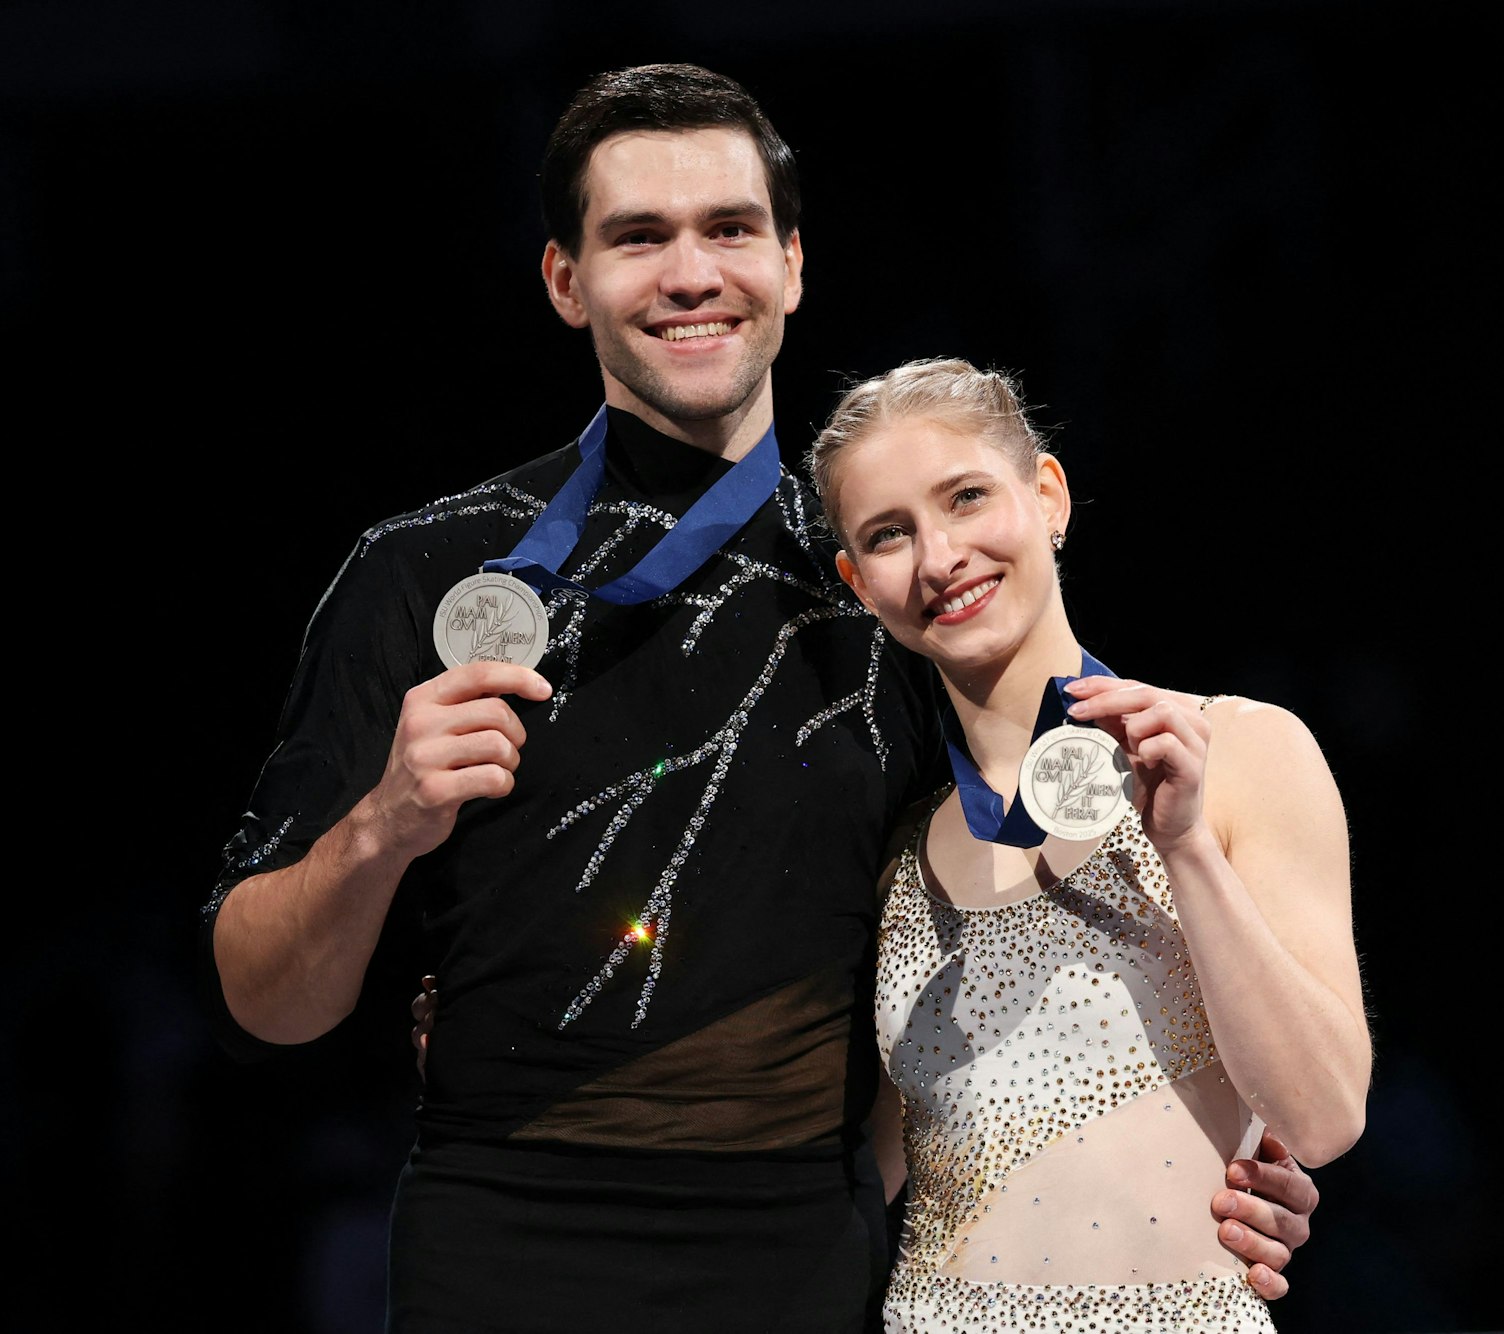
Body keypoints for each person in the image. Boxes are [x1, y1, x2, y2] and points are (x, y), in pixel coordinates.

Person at [202, 62, 1321, 1334]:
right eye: (640, 236)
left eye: (729, 229)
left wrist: (1206, 1168)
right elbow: (261, 1002)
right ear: (566, 279)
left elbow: (1031, 948)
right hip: (503, 1252)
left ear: (790, 264)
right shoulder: (425, 571)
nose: (692, 273)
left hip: (809, 1264)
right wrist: (383, 825)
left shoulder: (897, 596)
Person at [804, 357, 1371, 1332]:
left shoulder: (1240, 750)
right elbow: (849, 1185)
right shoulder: (895, 853)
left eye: (966, 497)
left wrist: (1183, 846)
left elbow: (1320, 1117)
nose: (939, 557)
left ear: (1047, 495)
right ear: (859, 584)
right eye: (889, 534)